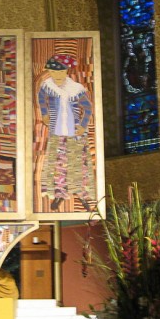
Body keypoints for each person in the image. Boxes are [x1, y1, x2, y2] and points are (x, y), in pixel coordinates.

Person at [37, 53, 94, 211]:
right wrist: (45, 113)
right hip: (57, 131)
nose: (56, 76)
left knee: (78, 165)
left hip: (74, 133)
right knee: (58, 164)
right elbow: (41, 97)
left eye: (60, 72)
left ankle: (82, 195)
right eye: (53, 72)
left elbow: (88, 107)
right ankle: (60, 194)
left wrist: (82, 125)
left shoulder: (76, 89)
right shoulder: (48, 86)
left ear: (66, 72)